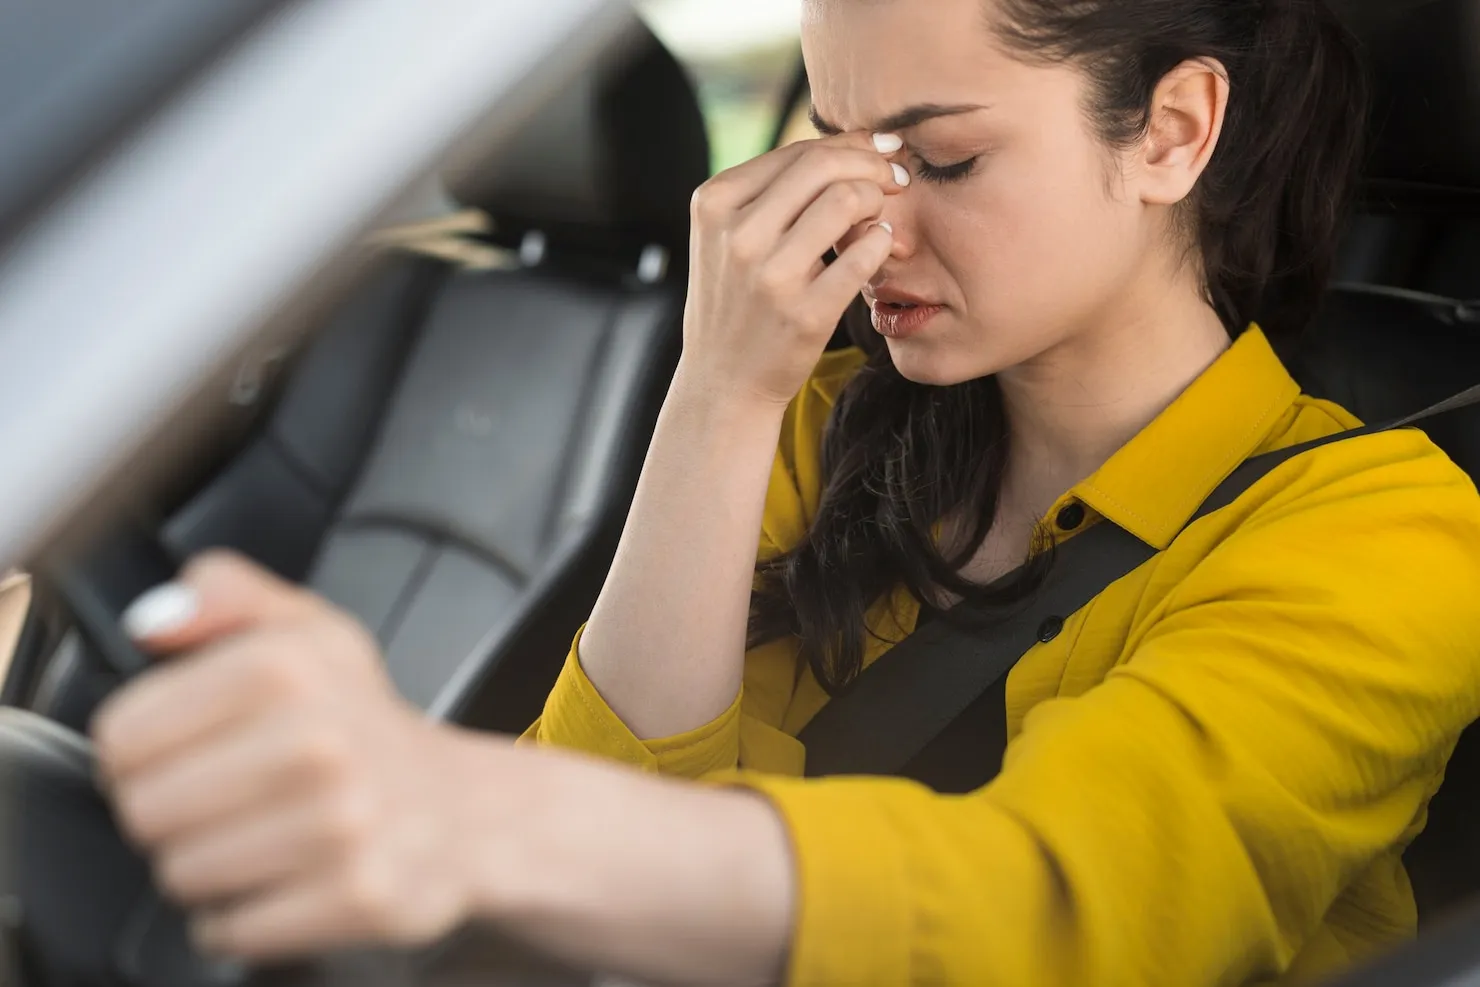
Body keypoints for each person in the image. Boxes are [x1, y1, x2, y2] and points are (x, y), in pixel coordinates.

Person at [90, 0, 1480, 984]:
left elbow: (1064, 919)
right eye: (843, 150)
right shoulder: (829, 428)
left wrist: (456, 807)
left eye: (943, 159)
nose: (873, 221)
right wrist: (720, 391)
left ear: (1173, 133)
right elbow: (595, 873)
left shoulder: (1391, 535)